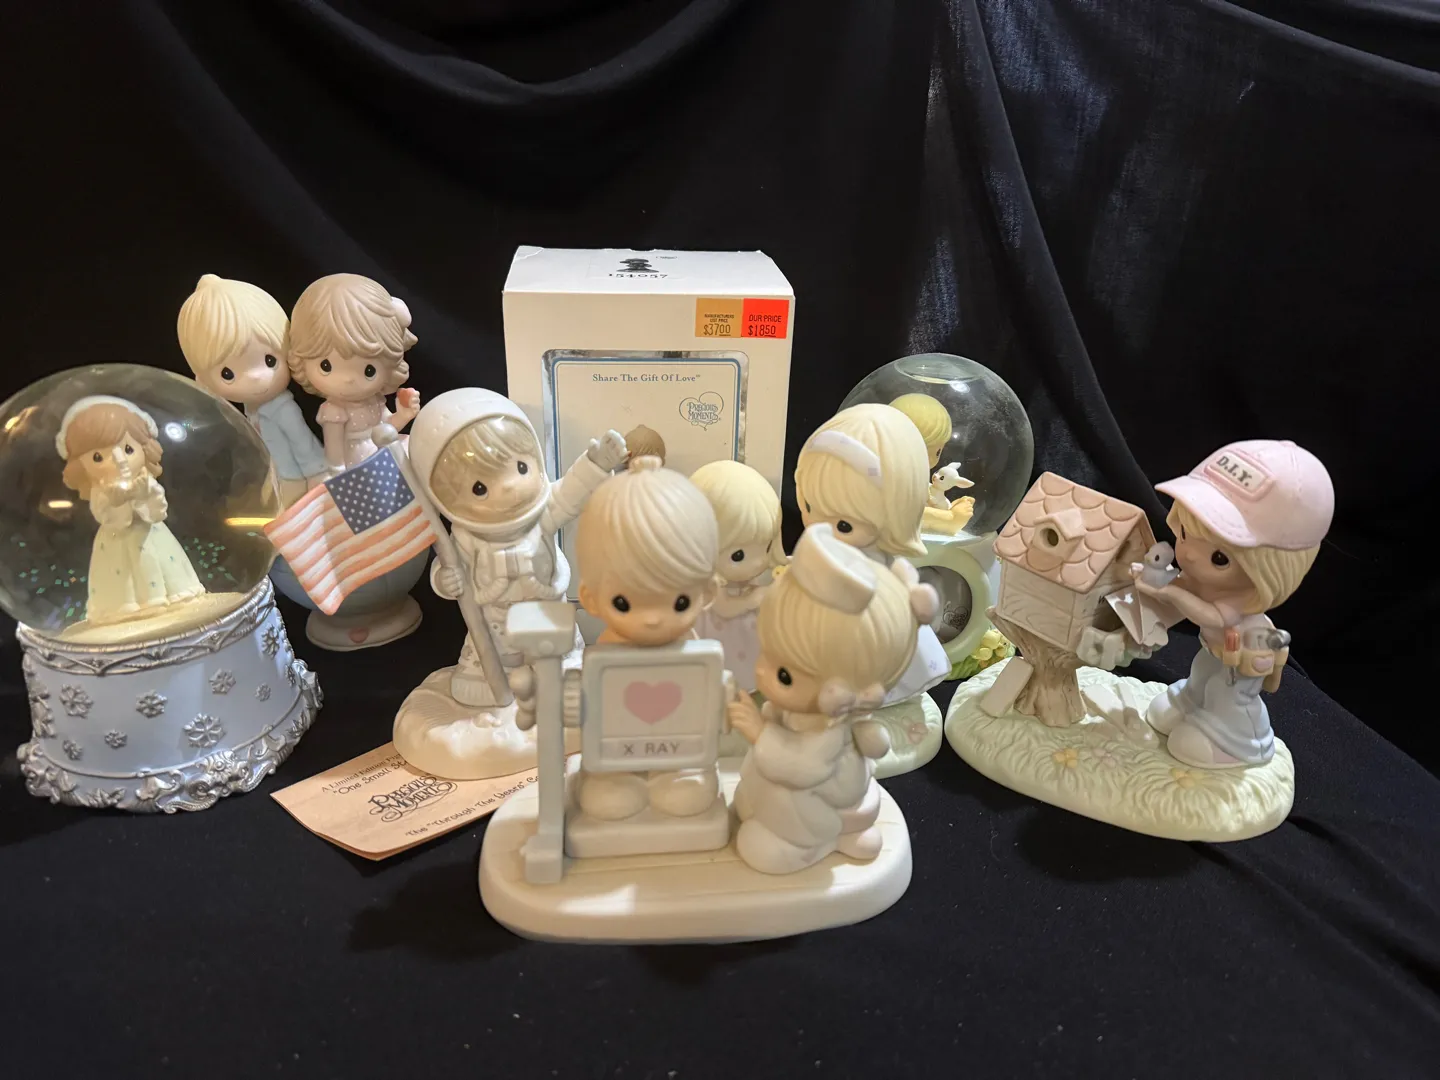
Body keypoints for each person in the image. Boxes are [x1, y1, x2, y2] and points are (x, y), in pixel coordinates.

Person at [726, 523, 935, 874]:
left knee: (780, 802)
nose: (760, 673)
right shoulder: (812, 714)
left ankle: (812, 844)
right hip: (793, 768)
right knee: (758, 789)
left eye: (784, 675)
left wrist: (760, 733)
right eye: (766, 654)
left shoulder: (830, 730)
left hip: (822, 795)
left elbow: (804, 769)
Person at [409, 389, 627, 708]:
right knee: (494, 654)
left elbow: (571, 492)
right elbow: (448, 565)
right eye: (480, 488)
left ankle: (560, 667)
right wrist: (445, 580)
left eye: (521, 468)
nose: (510, 487)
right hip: (496, 616)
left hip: (544, 607)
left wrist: (595, 464)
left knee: (554, 649)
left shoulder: (542, 513)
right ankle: (491, 675)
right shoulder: (467, 538)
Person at [1134, 440, 1333, 768]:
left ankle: (1242, 741)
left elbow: (1211, 616)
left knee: (1228, 694)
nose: (1188, 554)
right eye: (1184, 534)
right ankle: (1192, 703)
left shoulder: (1235, 603)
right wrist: (1157, 579)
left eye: (1219, 557)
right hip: (1214, 651)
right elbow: (1186, 586)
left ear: (1272, 568)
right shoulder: (1208, 584)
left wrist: (1169, 593)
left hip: (1243, 657)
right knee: (1202, 674)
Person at [572, 456, 720, 821]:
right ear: (590, 598)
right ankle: (620, 778)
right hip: (617, 752)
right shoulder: (605, 655)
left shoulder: (695, 651)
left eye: (679, 602)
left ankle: (674, 775)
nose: (652, 619)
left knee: (688, 792)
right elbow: (596, 706)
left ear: (707, 593)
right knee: (607, 795)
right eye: (624, 604)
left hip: (680, 749)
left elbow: (703, 699)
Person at [176, 274, 326, 506]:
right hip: (282, 475)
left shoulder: (281, 409)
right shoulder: (252, 410)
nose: (256, 377)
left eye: (269, 361)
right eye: (228, 374)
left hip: (298, 479)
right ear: (203, 379)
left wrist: (319, 477)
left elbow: (305, 446)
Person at [56, 396, 204, 625]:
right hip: (116, 541)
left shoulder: (145, 481)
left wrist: (143, 495)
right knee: (123, 580)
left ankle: (167, 598)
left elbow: (158, 510)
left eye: (128, 449)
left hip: (150, 535)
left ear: (145, 449)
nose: (118, 460)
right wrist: (118, 500)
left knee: (158, 566)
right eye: (98, 457)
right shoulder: (100, 491)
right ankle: (128, 608)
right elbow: (104, 515)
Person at [287, 273, 421, 472]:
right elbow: (334, 456)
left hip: (384, 453)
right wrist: (339, 478)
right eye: (326, 366)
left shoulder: (374, 400)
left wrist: (403, 415)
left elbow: (386, 429)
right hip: (359, 465)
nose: (348, 379)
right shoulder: (333, 411)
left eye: (369, 370)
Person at [688, 459, 785, 693]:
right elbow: (724, 608)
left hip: (745, 638)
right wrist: (753, 599)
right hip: (718, 637)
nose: (759, 562)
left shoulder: (746, 578)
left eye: (766, 547)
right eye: (738, 556)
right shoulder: (708, 587)